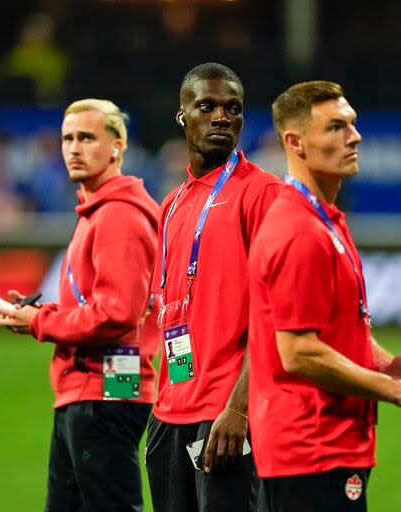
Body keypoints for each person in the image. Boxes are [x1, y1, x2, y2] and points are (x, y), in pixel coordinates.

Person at [248, 81, 401, 511]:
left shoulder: (324, 220)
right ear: (295, 142)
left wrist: (382, 361)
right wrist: (392, 390)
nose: (354, 136)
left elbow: (336, 328)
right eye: (337, 127)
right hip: (311, 448)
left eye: (353, 124)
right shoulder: (300, 233)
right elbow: (299, 352)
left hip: (327, 445)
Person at [0, 98, 160, 512]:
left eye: (86, 137)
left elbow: (116, 313)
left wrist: (40, 321)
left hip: (102, 392)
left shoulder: (118, 216)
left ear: (117, 147)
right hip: (93, 390)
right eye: (67, 138)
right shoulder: (99, 213)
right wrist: (37, 311)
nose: (73, 148)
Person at [145, 62, 282, 512]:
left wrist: (240, 408)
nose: (222, 117)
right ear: (183, 116)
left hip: (225, 415)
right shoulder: (171, 203)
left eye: (233, 109)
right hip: (170, 410)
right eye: (207, 106)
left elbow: (277, 314)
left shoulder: (262, 194)